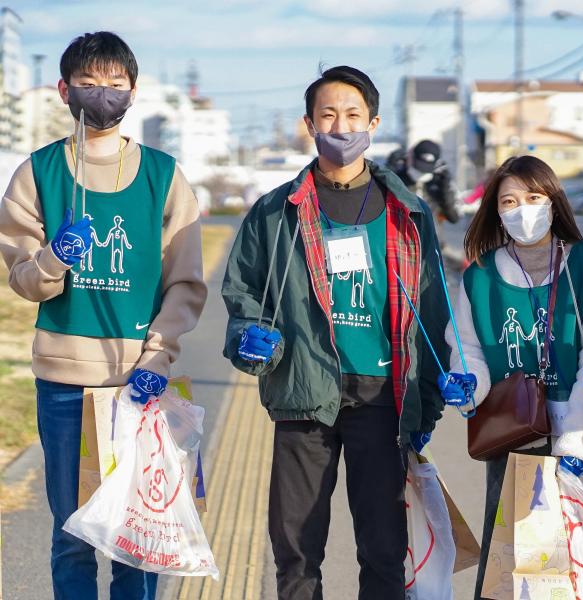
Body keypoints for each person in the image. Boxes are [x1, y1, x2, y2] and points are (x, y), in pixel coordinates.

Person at [221, 65, 449, 600]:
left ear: (373, 122)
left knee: (385, 550)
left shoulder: (408, 214)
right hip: (304, 392)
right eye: (328, 115)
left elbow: (432, 314)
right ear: (309, 123)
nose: (340, 126)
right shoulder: (276, 212)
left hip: (383, 397)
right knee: (297, 548)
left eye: (352, 115)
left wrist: (429, 403)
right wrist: (248, 339)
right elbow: (242, 295)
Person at [0, 32, 207, 599]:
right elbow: (22, 280)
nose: (103, 95)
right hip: (65, 385)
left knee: (136, 537)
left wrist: (159, 356)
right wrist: (53, 258)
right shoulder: (37, 171)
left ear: (134, 93)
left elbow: (185, 282)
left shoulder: (163, 175)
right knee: (73, 534)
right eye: (89, 85)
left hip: (137, 384)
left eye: (116, 85)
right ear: (65, 90)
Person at [438, 155, 583, 599]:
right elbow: (468, 347)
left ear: (553, 201)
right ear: (496, 211)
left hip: (582, 449)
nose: (522, 209)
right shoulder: (481, 276)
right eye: (509, 201)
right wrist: (467, 380)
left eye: (533, 197)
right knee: (510, 576)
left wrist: (578, 444)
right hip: (512, 443)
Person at [387, 139, 459, 225]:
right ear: (410, 158)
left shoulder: (440, 181)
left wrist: (444, 191)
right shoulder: (399, 178)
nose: (421, 173)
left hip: (432, 235)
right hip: (400, 234)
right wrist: (389, 173)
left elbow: (454, 217)